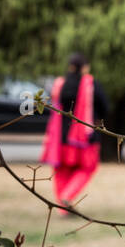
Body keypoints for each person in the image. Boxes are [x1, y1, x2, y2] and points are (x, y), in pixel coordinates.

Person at [39, 52, 109, 216]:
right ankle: (67, 196)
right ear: (84, 67)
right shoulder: (91, 84)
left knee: (61, 170)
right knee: (88, 167)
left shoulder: (59, 85)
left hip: (61, 138)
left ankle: (63, 207)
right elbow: (105, 106)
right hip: (85, 137)